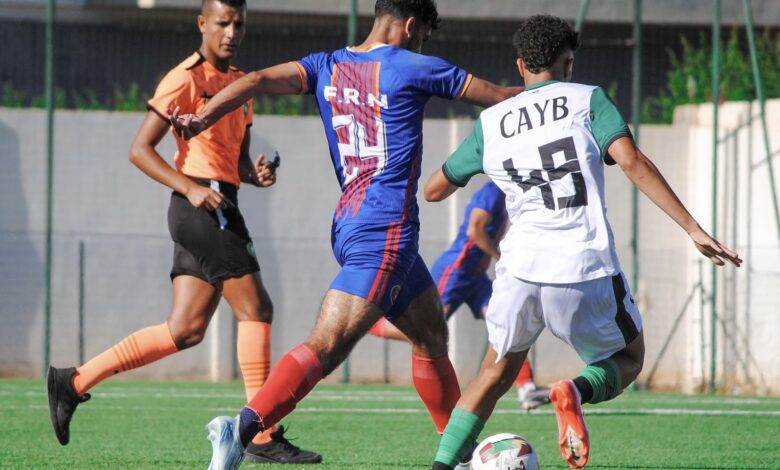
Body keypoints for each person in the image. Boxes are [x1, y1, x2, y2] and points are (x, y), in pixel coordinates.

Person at [171, 1, 523, 468]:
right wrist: (562, 92)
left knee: (432, 335)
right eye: (422, 37)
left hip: (353, 224)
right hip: (385, 231)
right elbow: (501, 96)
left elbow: (255, 80)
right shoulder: (414, 66)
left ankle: (456, 456)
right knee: (329, 344)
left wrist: (202, 117)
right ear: (410, 26)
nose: (422, 46)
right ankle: (240, 431)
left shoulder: (326, 65)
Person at [424, 15, 742, 470]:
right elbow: (631, 162)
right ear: (568, 63)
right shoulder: (588, 99)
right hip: (581, 264)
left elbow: (434, 189)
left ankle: (439, 467)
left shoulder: (491, 122)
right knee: (628, 357)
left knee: (493, 373)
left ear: (520, 65)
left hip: (518, 271)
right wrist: (692, 228)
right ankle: (574, 390)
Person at [45, 0, 321, 464]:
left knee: (185, 329)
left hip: (216, 201)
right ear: (202, 24)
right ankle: (262, 434)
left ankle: (72, 382)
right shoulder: (184, 78)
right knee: (257, 309)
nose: (231, 32)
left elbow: (234, 163)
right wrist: (190, 188)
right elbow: (140, 149)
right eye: (222, 23)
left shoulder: (242, 84)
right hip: (201, 206)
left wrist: (254, 175)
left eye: (238, 24)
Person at [368, 180, 550, 411]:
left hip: (476, 277)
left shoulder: (508, 193)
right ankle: (370, 322)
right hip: (456, 271)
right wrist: (502, 257)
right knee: (428, 332)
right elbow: (475, 230)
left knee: (509, 322)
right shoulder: (493, 191)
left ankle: (527, 388)